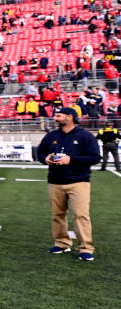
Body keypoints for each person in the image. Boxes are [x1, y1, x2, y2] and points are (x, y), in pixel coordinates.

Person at [36, 107, 100, 261]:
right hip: (55, 182)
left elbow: (95, 157)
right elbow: (40, 152)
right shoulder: (51, 136)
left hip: (79, 182)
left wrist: (71, 160)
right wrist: (46, 159)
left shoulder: (85, 136)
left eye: (58, 115)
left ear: (70, 117)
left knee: (81, 215)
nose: (55, 118)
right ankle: (62, 243)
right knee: (57, 215)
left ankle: (85, 248)